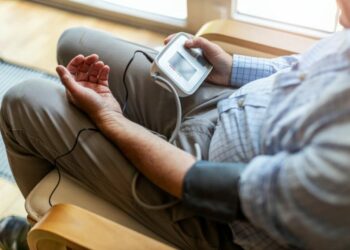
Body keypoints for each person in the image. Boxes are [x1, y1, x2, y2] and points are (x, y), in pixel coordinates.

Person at [1, 0, 350, 249]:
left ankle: (33, 231)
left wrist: (111, 119)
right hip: (233, 106)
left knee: (22, 103)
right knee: (73, 42)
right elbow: (308, 66)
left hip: (211, 205)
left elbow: (203, 184)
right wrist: (231, 69)